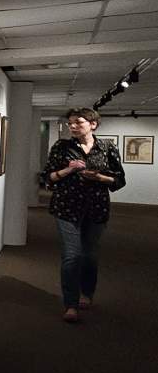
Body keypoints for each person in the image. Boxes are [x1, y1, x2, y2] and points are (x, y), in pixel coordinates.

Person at [44, 107, 125, 323]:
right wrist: (68, 170)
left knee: (89, 255)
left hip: (96, 208)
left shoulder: (107, 147)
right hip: (66, 208)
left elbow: (119, 180)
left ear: (93, 124)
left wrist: (99, 177)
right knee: (72, 256)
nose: (72, 126)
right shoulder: (62, 147)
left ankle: (87, 293)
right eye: (70, 123)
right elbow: (48, 177)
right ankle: (70, 304)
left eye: (78, 122)